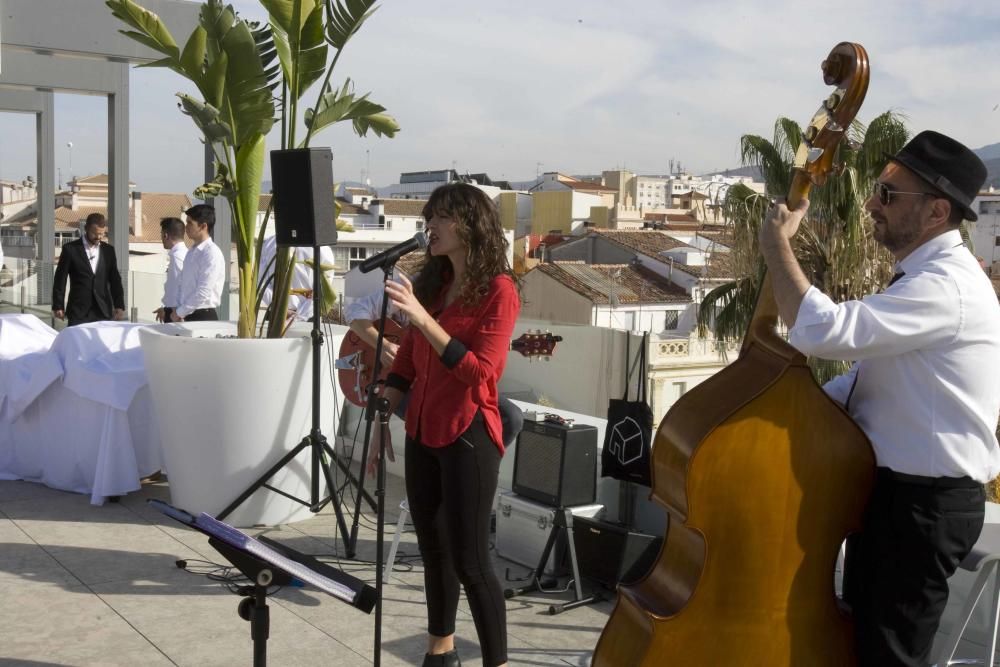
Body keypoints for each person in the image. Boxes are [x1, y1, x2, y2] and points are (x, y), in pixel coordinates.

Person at [759, 130, 1000, 666]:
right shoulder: (922, 278)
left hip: (923, 507)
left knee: (888, 658)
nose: (872, 203)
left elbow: (825, 332)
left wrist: (778, 245)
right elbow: (867, 380)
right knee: (868, 649)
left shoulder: (945, 287)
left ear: (937, 212)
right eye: (878, 190)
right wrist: (789, 414)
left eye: (889, 195)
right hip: (900, 499)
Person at [367, 183, 519, 667]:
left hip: (468, 434)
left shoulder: (499, 290)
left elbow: (481, 373)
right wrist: (385, 408)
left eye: (440, 217)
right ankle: (441, 654)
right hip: (421, 430)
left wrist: (422, 319)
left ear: (470, 225)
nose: (429, 226)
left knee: (472, 562)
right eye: (428, 217)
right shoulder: (433, 283)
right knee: (433, 551)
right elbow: (409, 357)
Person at [52, 212, 125, 326]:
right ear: (86, 229)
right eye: (95, 233)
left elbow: (115, 280)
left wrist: (119, 305)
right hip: (78, 311)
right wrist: (58, 305)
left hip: (103, 310)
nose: (99, 237)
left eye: (102, 234)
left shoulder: (109, 251)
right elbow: (60, 279)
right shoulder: (70, 249)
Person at [171, 204, 225, 322]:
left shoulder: (211, 253)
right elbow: (184, 285)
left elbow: (203, 292)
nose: (186, 227)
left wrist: (180, 312)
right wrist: (180, 311)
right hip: (188, 314)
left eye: (190, 223)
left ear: (203, 226)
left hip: (203, 316)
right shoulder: (192, 252)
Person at [153, 217, 187, 323]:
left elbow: (177, 290)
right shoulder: (186, 254)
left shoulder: (177, 258)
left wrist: (175, 314)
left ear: (165, 235)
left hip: (176, 315)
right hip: (176, 312)